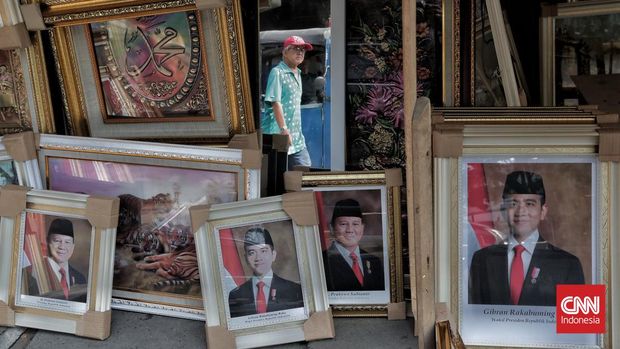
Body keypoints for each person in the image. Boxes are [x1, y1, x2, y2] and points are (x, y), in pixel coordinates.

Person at [469, 171, 585, 306]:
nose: (521, 211)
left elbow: (578, 325)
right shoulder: (482, 259)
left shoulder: (569, 265)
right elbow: (473, 317)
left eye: (530, 204)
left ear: (543, 211)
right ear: (503, 210)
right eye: (513, 203)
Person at [262, 35, 313, 170]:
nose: (300, 52)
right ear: (285, 52)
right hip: (279, 135)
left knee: (304, 172)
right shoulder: (277, 72)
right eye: (295, 49)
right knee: (277, 179)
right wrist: (284, 130)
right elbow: (275, 103)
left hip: (297, 138)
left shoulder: (298, 73)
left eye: (302, 49)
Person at [228, 227, 304, 318]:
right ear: (246, 258)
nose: (258, 258)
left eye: (263, 251)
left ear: (273, 255)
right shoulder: (235, 295)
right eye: (252, 252)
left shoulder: (295, 291)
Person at [322, 198, 385, 291]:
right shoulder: (322, 262)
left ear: (362, 228)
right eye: (343, 224)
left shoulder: (375, 261)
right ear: (332, 228)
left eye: (355, 224)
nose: (350, 230)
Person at [28, 218, 87, 302]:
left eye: (67, 242)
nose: (62, 247)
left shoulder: (80, 278)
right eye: (57, 241)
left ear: (73, 246)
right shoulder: (33, 274)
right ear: (48, 242)